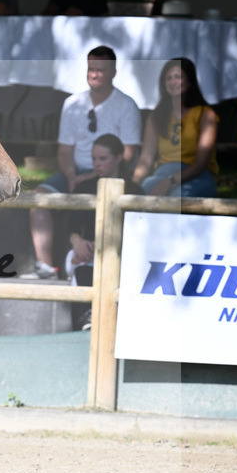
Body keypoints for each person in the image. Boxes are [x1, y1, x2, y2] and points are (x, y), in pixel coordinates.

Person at [24, 46, 141, 279]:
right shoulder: (72, 103)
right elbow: (65, 150)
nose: (94, 74)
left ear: (113, 72)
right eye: (90, 69)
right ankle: (44, 266)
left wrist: (94, 176)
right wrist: (70, 176)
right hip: (74, 172)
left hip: (110, 173)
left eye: (100, 70)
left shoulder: (126, 105)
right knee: (38, 197)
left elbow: (128, 153)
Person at [62, 134, 142, 329]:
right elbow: (71, 226)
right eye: (94, 159)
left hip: (124, 252)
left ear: (119, 157)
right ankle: (84, 320)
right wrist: (77, 242)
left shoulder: (135, 191)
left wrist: (107, 245)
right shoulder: (84, 187)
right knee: (76, 258)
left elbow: (139, 233)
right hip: (87, 251)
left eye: (103, 158)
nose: (97, 164)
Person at [132, 58, 219, 198]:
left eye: (178, 77)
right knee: (142, 195)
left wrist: (170, 182)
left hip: (197, 176)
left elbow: (201, 163)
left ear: (190, 81)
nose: (172, 82)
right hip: (162, 173)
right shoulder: (156, 116)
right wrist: (133, 185)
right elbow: (146, 159)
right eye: (168, 78)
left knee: (177, 199)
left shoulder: (206, 114)